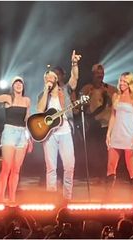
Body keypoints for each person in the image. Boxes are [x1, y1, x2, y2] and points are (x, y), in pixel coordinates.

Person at [37, 50, 81, 202]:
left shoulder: (65, 91)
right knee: (51, 168)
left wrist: (74, 63)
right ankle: (52, 198)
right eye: (47, 77)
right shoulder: (43, 94)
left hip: (65, 132)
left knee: (69, 166)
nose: (49, 79)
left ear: (56, 79)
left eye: (51, 77)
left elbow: (74, 78)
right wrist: (45, 89)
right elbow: (40, 110)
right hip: (49, 135)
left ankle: (67, 198)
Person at [105, 72, 133, 190]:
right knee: (111, 165)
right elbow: (113, 116)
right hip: (116, 133)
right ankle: (108, 193)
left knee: (131, 166)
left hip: (129, 134)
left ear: (130, 83)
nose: (121, 83)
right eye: (120, 81)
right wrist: (108, 133)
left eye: (124, 81)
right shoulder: (116, 96)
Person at [81, 64, 118, 180]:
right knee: (93, 150)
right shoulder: (87, 89)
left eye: (101, 74)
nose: (100, 76)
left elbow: (117, 105)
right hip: (92, 124)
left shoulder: (110, 89)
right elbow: (81, 105)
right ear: (93, 75)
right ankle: (95, 174)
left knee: (105, 151)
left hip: (106, 125)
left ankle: (105, 175)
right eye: (97, 74)